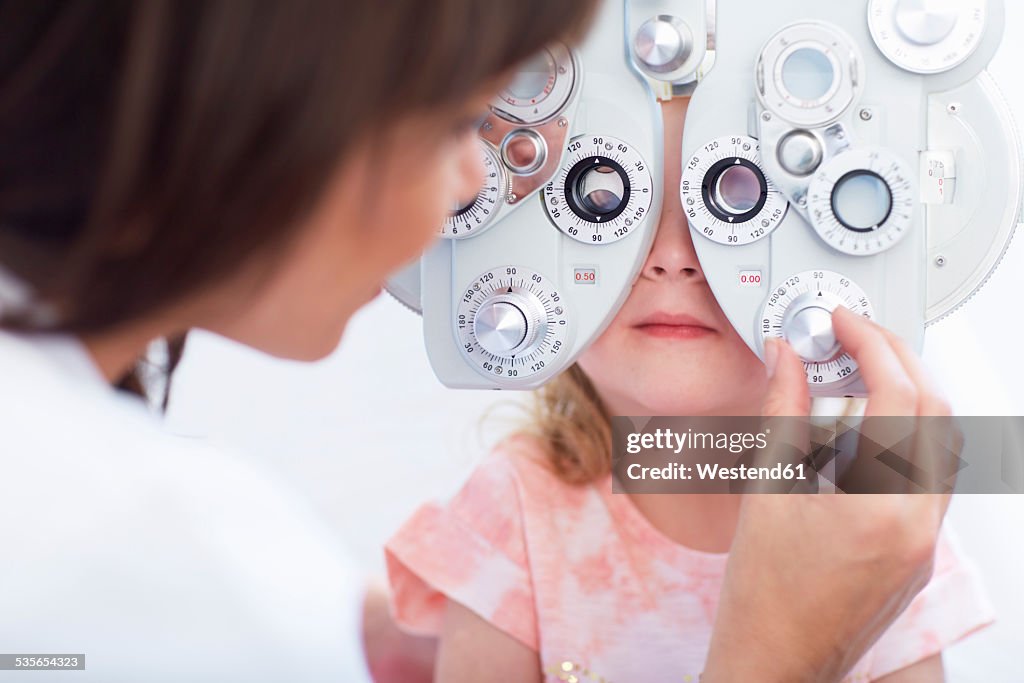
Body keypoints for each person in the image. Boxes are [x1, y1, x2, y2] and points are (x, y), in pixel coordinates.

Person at [0, 2, 959, 681]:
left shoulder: (875, 521)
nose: (473, 183)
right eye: (460, 114)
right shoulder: (188, 568)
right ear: (262, 96)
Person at [384, 97, 989, 681]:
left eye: (739, 200)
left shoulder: (878, 521)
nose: (673, 258)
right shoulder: (508, 513)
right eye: (605, 200)